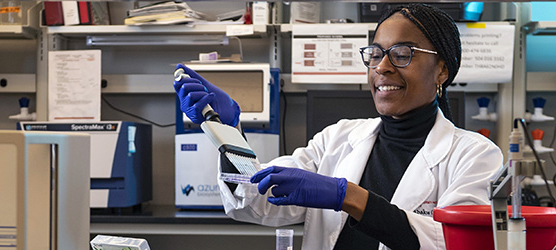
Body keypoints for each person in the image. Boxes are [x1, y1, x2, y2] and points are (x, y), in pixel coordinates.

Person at [173, 4, 502, 250]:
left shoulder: (474, 155)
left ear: (441, 70)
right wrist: (228, 132)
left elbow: (453, 242)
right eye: (375, 54)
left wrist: (350, 197)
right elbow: (252, 202)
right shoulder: (338, 138)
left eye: (402, 54)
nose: (382, 67)